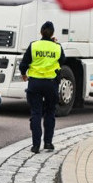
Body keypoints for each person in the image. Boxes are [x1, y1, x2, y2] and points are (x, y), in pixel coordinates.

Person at [18, 21, 65, 153]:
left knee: (36, 113)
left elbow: (24, 64)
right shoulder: (57, 47)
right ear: (53, 33)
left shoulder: (33, 46)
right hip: (51, 84)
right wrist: (54, 44)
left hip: (35, 83)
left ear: (40, 32)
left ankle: (35, 145)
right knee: (50, 113)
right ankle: (48, 143)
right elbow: (62, 61)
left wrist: (23, 74)